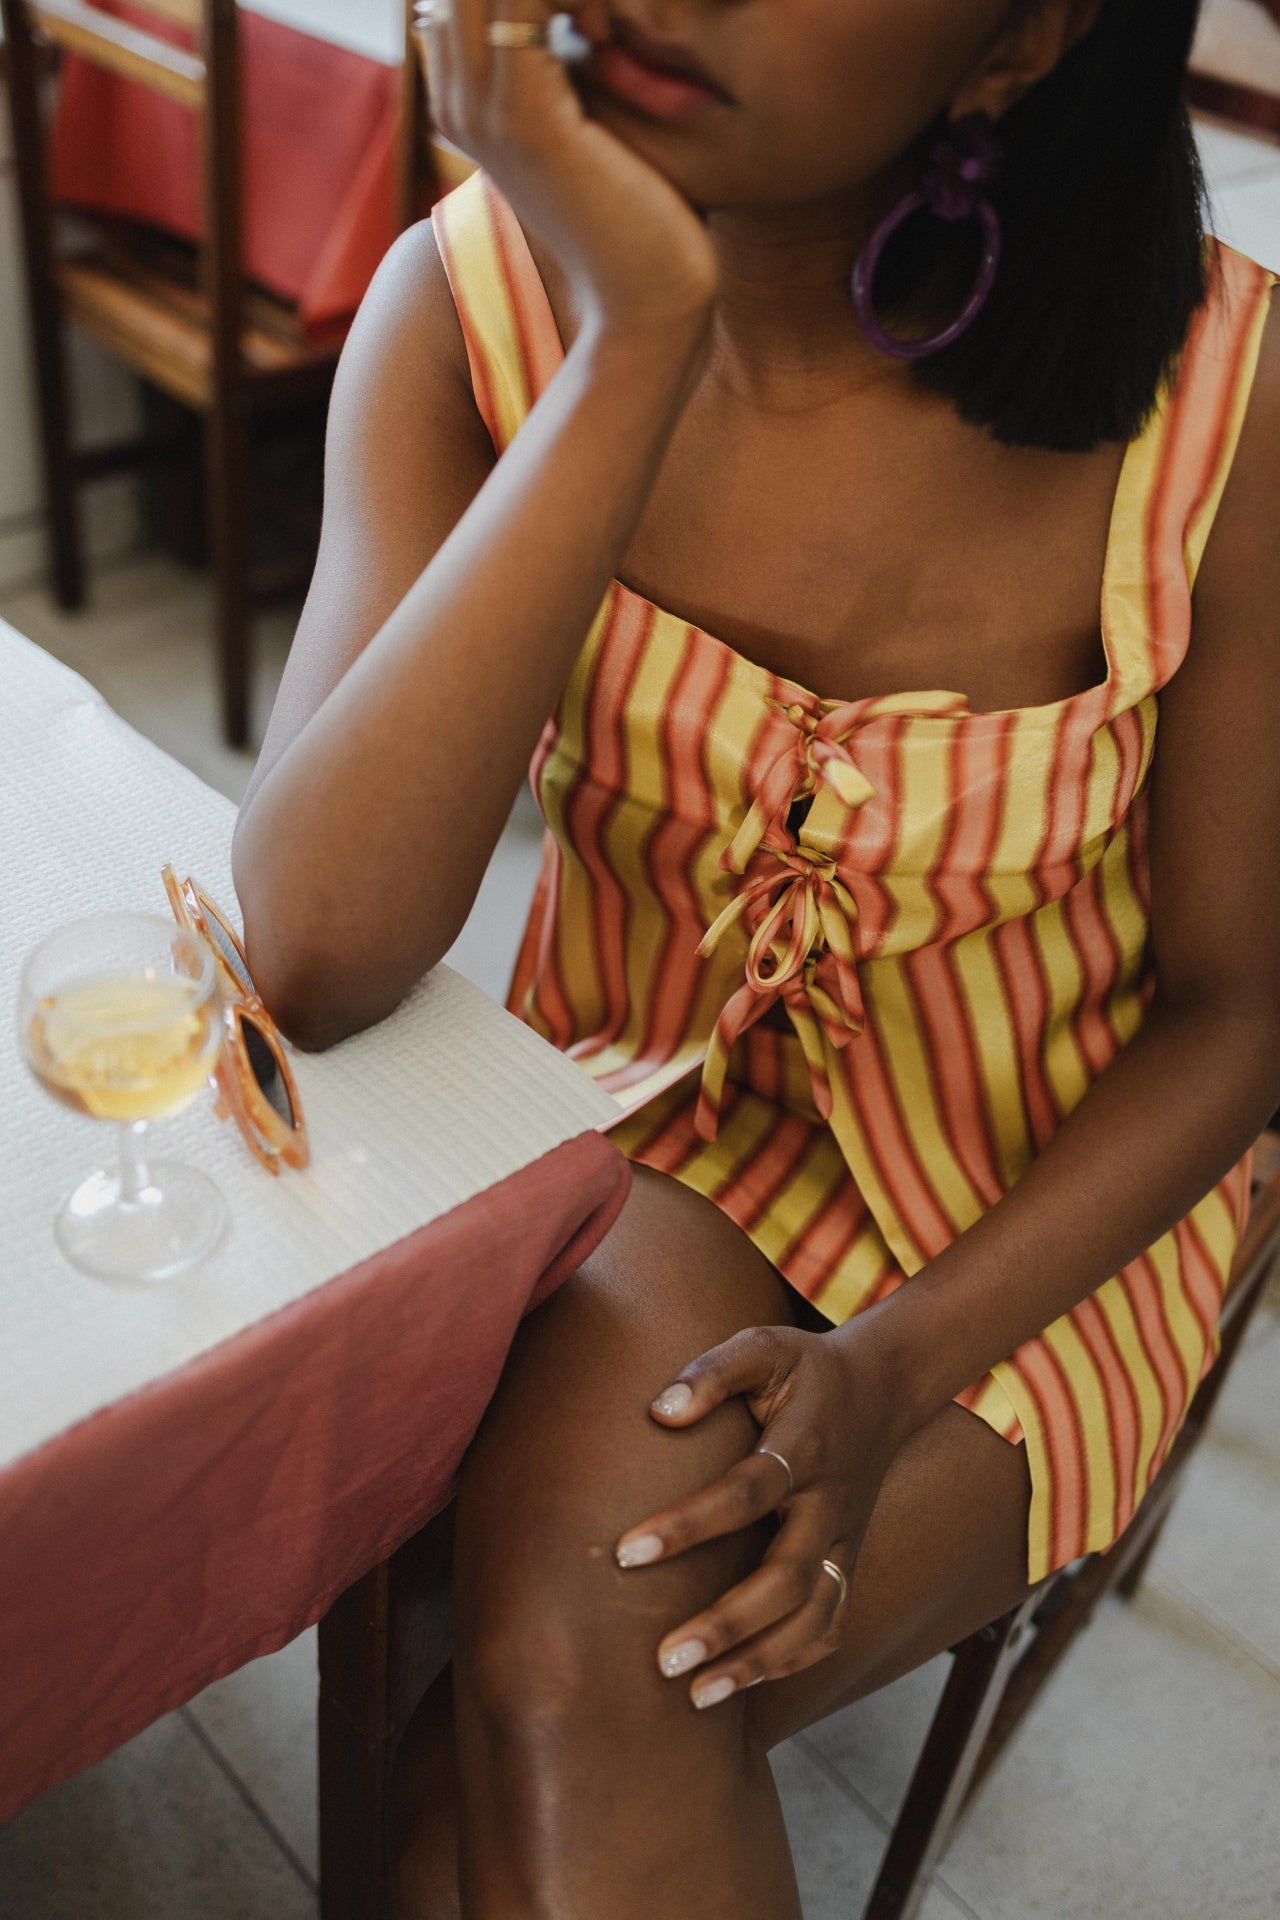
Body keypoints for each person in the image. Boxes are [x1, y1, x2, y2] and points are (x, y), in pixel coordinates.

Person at [231, 0, 1280, 1912]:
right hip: (650, 1110)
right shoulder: (472, 305)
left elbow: (1242, 1011)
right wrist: (634, 338)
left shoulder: (1234, 403)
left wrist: (894, 1367)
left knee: (464, 1829)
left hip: (1053, 1211)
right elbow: (311, 951)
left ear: (1015, 48)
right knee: (563, 1672)